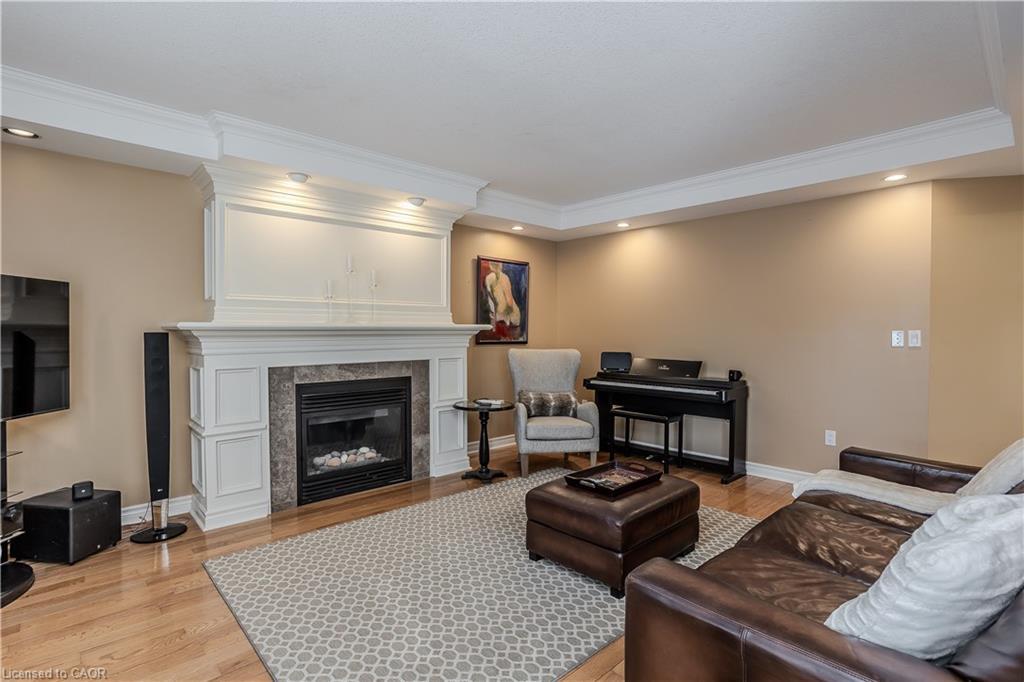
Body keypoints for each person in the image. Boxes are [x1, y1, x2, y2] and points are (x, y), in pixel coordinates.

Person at [484, 260, 521, 329]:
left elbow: (491, 299)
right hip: (505, 314)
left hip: (502, 313)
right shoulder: (502, 277)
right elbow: (509, 301)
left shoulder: (489, 278)